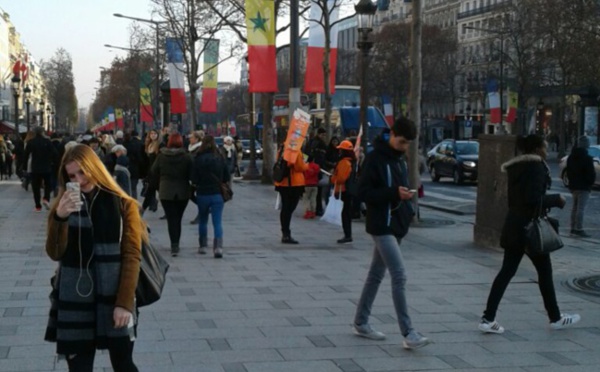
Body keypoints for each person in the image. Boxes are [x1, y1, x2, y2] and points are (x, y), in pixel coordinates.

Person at [44, 144, 145, 371]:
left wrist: (125, 303)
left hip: (115, 295)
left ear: (94, 167)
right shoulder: (63, 206)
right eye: (72, 175)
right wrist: (59, 218)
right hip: (74, 299)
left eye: (82, 171)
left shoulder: (123, 204)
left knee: (124, 364)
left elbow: (131, 256)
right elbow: (54, 252)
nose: (79, 180)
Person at [478, 134, 580, 335]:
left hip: (515, 226)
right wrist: (556, 200)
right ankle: (555, 317)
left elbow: (519, 199)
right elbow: (532, 199)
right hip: (530, 230)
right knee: (544, 272)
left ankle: (488, 318)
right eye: (544, 145)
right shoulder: (535, 167)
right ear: (536, 149)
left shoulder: (516, 167)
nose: (546, 147)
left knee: (507, 272)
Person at [352, 118, 431, 350]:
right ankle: (408, 332)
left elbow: (397, 190)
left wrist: (404, 200)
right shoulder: (375, 158)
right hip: (381, 225)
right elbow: (363, 192)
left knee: (376, 274)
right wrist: (393, 193)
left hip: (395, 223)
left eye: (408, 144)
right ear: (392, 134)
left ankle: (360, 321)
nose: (404, 146)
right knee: (399, 274)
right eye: (402, 141)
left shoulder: (400, 160)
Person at [151, 133, 192, 256]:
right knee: (178, 219)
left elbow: (153, 170)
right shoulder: (187, 157)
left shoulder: (161, 156)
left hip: (166, 190)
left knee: (171, 219)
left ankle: (173, 244)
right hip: (182, 190)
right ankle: (176, 244)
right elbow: (192, 173)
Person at [191, 136, 230, 258]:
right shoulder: (219, 158)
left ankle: (202, 246)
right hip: (217, 193)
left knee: (203, 220)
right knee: (217, 222)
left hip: (202, 193)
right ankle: (218, 247)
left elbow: (194, 178)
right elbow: (226, 177)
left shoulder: (198, 158)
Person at [274, 144, 308, 244]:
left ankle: (285, 232)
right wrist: (307, 165)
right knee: (289, 208)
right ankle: (286, 234)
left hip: (282, 183)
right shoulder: (295, 150)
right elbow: (299, 167)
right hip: (294, 183)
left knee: (285, 208)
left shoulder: (282, 149)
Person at [566, 136, 596, 238]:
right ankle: (579, 228)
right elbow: (591, 174)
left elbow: (568, 172)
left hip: (574, 186)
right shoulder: (587, 158)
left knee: (574, 208)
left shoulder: (571, 157)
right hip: (584, 186)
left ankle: (573, 227)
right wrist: (589, 183)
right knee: (581, 208)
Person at [24, 126, 58, 212]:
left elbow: (26, 155)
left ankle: (38, 206)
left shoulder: (31, 142)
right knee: (48, 184)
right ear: (42, 132)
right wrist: (53, 162)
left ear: (35, 133)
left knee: (36, 187)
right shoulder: (47, 142)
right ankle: (46, 198)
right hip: (47, 167)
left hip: (35, 168)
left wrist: (24, 167)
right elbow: (55, 153)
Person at [330, 140, 357, 244]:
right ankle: (348, 234)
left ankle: (347, 235)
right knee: (347, 212)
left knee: (345, 214)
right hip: (350, 190)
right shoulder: (352, 162)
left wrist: (332, 178)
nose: (339, 151)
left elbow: (341, 178)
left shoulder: (343, 162)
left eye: (341, 150)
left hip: (343, 190)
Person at [141, 130, 161, 214]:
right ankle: (143, 208)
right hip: (151, 172)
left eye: (155, 134)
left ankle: (142, 209)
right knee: (151, 191)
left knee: (151, 191)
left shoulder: (160, 145)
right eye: (151, 134)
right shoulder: (148, 145)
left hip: (157, 172)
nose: (153, 135)